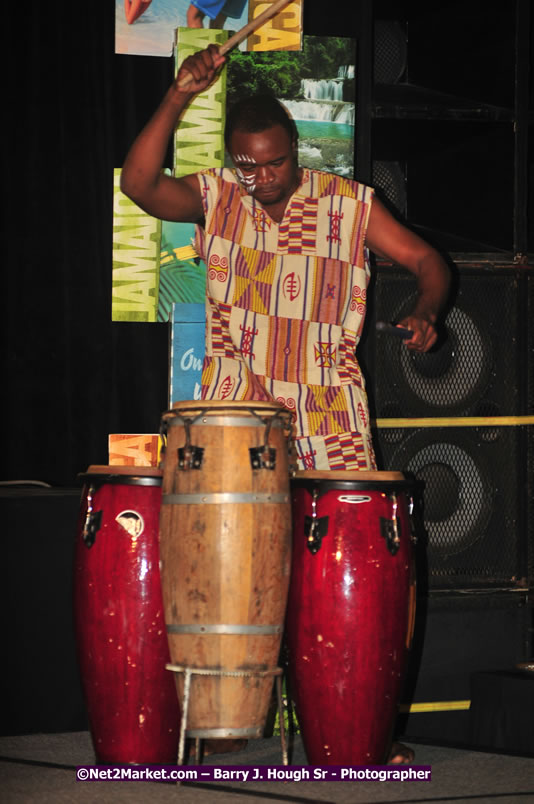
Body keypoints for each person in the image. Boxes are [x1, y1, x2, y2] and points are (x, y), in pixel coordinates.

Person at [120, 44, 451, 761]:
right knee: (230, 574)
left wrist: (427, 310)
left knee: (343, 572)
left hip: (329, 410)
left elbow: (430, 263)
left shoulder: (349, 205)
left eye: (273, 163)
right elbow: (141, 183)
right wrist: (179, 95)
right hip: (235, 414)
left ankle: (357, 730)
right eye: (248, 164)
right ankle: (223, 723)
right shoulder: (217, 198)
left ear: (295, 149)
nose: (261, 177)